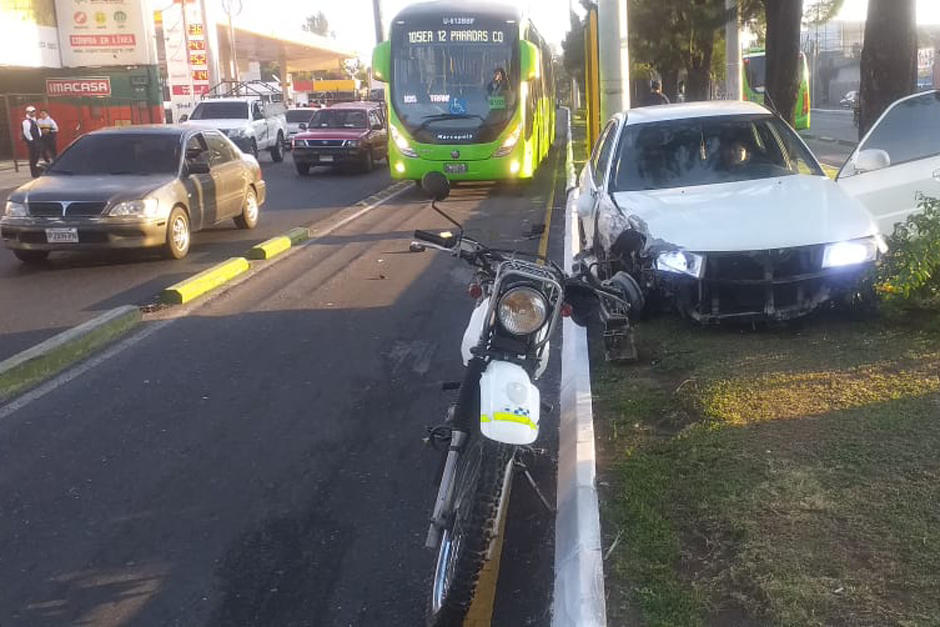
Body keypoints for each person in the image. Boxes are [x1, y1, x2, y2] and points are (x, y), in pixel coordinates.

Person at [21, 105, 43, 177]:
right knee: (33, 157)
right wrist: (31, 140)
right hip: (32, 142)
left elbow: (38, 129)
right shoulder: (26, 121)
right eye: (31, 112)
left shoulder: (34, 120)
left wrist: (40, 136)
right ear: (28, 112)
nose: (33, 113)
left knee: (36, 156)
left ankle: (36, 171)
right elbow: (26, 132)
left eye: (34, 111)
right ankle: (34, 173)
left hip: (37, 140)